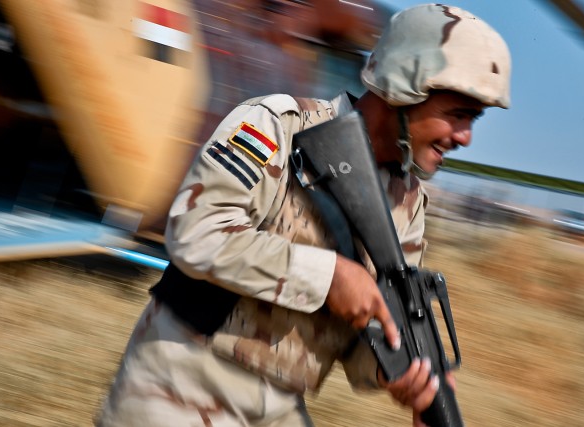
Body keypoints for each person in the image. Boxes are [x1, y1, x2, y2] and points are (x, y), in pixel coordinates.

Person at [96, 4, 511, 427]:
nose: (465, 137)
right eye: (457, 115)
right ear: (406, 86)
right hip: (178, 385)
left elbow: (360, 334)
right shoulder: (279, 126)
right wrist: (328, 276)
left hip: (278, 405)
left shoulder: (407, 201)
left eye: (473, 119)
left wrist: (402, 376)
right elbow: (194, 231)